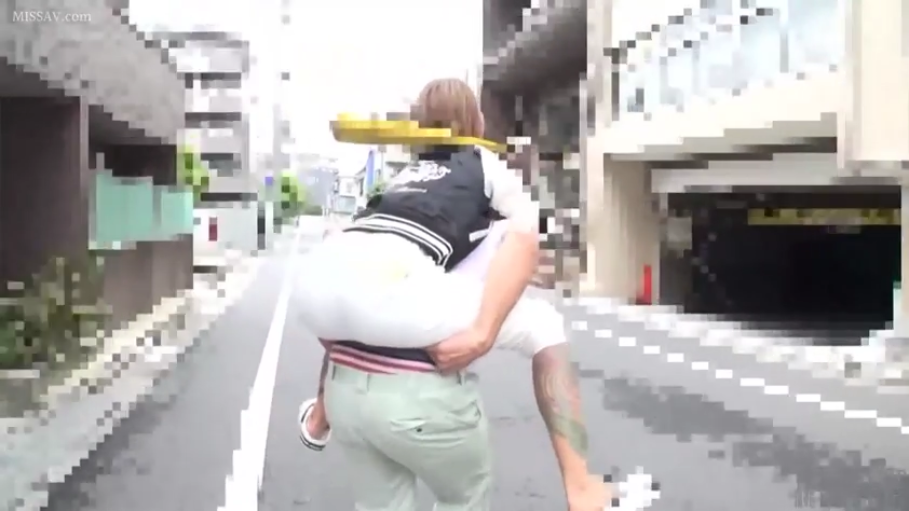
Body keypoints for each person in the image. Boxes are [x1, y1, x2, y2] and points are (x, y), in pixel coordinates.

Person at [294, 78, 608, 511]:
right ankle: (582, 487)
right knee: (545, 325)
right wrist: (483, 332)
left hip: (320, 297)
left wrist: (324, 406)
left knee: (363, 300)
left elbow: (356, 293)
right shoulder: (480, 162)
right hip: (403, 319)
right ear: (475, 121)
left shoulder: (399, 182)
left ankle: (319, 414)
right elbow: (526, 236)